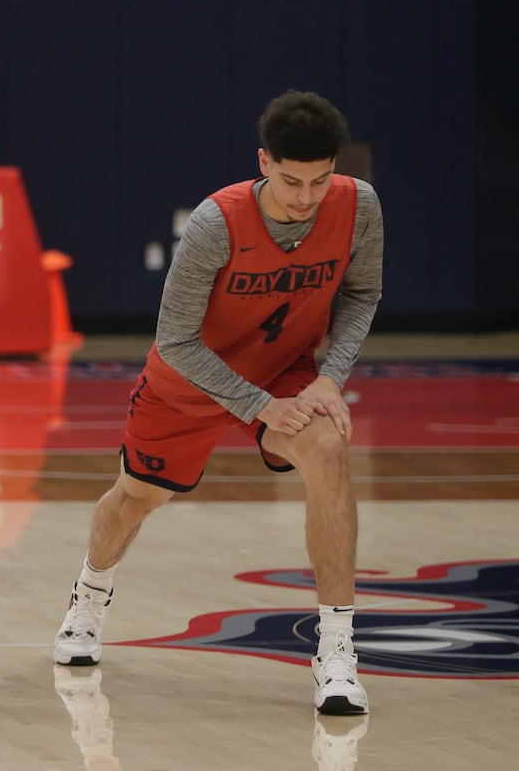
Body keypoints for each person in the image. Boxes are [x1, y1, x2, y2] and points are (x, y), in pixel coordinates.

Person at [52, 90, 384, 716]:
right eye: (291, 181)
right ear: (264, 162)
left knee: (329, 450)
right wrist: (257, 405)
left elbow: (361, 294)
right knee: (136, 499)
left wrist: (328, 378)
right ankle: (88, 599)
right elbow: (175, 339)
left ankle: (337, 652)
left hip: (287, 370)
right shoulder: (216, 222)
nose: (306, 197)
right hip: (193, 379)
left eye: (320, 180)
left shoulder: (359, 206)